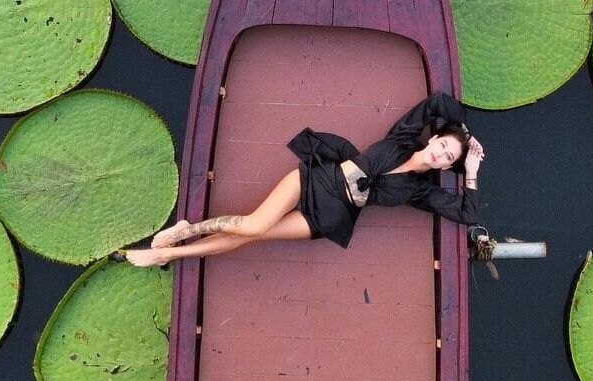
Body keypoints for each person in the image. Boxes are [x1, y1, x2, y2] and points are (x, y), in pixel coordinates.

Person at [124, 91, 486, 267]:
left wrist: (470, 171)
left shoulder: (421, 192)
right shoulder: (403, 136)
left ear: (445, 166)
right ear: (435, 138)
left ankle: (171, 255)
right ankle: (187, 229)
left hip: (328, 217)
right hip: (317, 180)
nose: (441, 153)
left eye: (449, 157)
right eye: (443, 145)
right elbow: (439, 102)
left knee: (250, 238)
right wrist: (467, 133)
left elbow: (468, 212)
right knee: (252, 226)